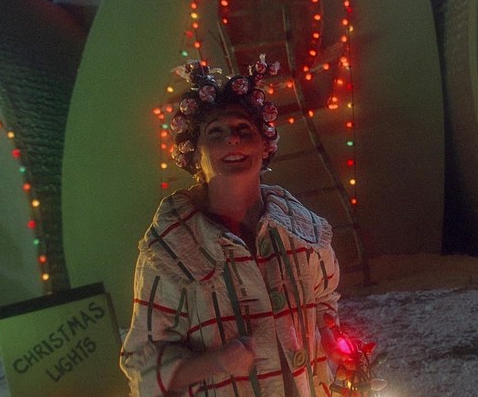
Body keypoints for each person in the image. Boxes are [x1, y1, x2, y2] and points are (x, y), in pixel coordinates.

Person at [119, 56, 344, 397]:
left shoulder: (303, 234)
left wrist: (331, 341)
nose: (233, 140)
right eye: (216, 132)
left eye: (244, 130)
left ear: (265, 145)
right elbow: (142, 367)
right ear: (195, 153)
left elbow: (324, 299)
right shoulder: (171, 252)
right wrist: (216, 363)